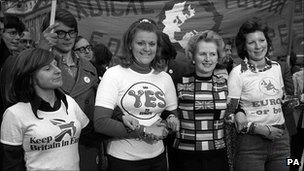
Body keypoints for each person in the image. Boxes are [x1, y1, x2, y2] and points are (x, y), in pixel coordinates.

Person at [94, 18, 179, 171]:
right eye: (140, 43)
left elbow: (171, 115)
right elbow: (101, 123)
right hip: (123, 160)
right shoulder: (114, 74)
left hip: (158, 157)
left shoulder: (165, 78)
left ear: (157, 47)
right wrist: (144, 131)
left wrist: (169, 123)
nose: (147, 48)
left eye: (152, 44)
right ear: (129, 45)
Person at [0, 48, 89, 170]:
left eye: (56, 65)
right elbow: (11, 164)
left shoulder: (69, 101)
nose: (58, 71)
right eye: (48, 69)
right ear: (30, 77)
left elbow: (91, 135)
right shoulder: (14, 114)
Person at [40, 9, 101, 171]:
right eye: (60, 33)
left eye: (71, 32)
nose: (67, 37)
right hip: (54, 147)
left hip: (86, 145)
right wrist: (41, 51)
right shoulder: (39, 67)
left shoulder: (89, 67)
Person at [227, 17, 290, 171]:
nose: (258, 46)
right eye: (251, 42)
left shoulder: (277, 68)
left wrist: (293, 100)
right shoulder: (237, 73)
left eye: (261, 40)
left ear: (267, 41)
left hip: (280, 139)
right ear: (244, 46)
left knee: (292, 165)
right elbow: (229, 115)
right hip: (250, 144)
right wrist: (257, 128)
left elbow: (281, 101)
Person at [169, 30, 229, 171]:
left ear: (218, 57)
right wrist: (170, 116)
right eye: (202, 54)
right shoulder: (178, 82)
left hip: (217, 156)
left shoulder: (225, 84)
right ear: (193, 56)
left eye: (212, 54)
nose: (208, 59)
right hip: (184, 157)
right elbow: (166, 111)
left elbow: (236, 108)